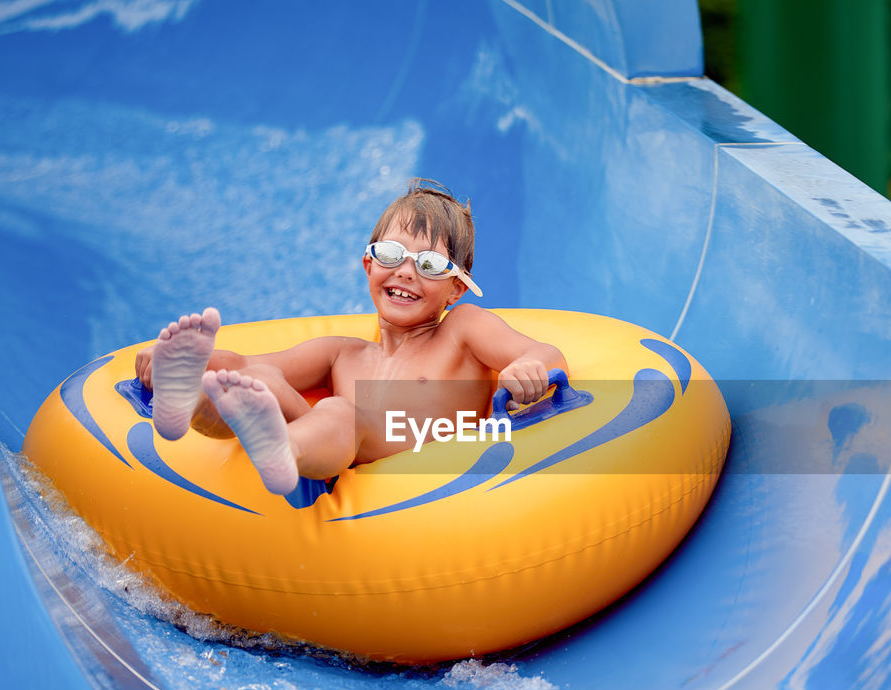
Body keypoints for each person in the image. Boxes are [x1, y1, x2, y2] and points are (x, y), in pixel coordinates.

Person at [134, 179, 567, 495]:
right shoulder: (342, 354)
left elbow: (544, 353)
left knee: (342, 412)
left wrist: (529, 367)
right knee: (260, 378)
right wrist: (182, 361)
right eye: (392, 255)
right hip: (332, 453)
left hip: (413, 476)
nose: (405, 271)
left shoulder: (463, 330)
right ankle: (186, 404)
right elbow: (246, 364)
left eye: (430, 264)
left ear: (456, 288)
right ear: (368, 265)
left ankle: (283, 451)